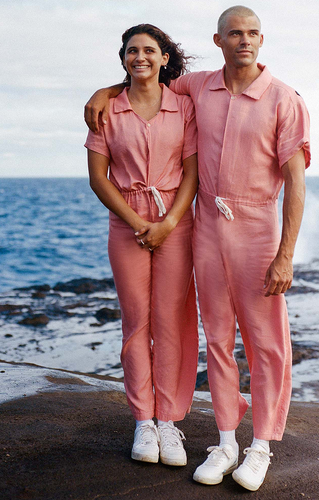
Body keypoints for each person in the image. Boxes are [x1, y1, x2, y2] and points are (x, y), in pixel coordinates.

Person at [85, 5, 310, 492]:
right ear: (218, 40)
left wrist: (286, 254)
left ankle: (260, 447)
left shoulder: (284, 98)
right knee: (217, 337)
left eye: (252, 33)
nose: (244, 40)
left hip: (257, 229)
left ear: (261, 40)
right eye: (235, 33)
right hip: (206, 228)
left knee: (267, 342)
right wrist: (104, 91)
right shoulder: (198, 87)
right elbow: (145, 78)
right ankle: (226, 442)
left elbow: (296, 183)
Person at [84, 24, 199, 468]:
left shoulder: (184, 106)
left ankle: (167, 421)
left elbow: (192, 172)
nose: (140, 57)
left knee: (170, 322)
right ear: (123, 59)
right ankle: (143, 422)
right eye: (132, 51)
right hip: (125, 221)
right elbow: (98, 178)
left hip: (175, 220)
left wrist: (167, 223)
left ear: (164, 57)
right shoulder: (107, 110)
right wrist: (137, 223)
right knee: (135, 323)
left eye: (149, 50)